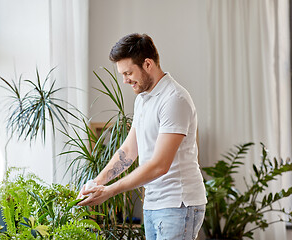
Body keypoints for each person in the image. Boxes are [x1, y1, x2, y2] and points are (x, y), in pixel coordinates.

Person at [77, 33, 207, 240]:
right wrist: (97, 182)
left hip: (178, 205)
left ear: (147, 64)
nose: (125, 80)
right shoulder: (144, 99)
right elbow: (129, 151)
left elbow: (160, 165)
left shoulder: (174, 99)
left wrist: (110, 191)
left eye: (128, 73)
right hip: (154, 204)